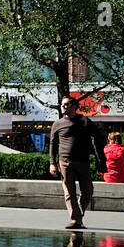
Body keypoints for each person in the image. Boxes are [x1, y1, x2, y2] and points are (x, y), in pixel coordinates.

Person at [48, 96, 106, 229]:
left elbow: (98, 137)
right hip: (65, 162)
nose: (63, 106)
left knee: (88, 190)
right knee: (69, 192)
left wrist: (100, 159)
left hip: (83, 162)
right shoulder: (57, 124)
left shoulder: (84, 121)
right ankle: (75, 220)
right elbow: (52, 144)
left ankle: (78, 214)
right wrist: (52, 163)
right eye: (62, 104)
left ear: (74, 106)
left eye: (67, 104)